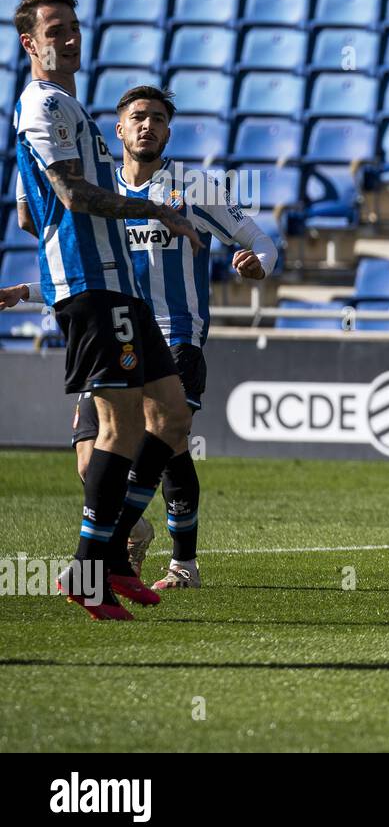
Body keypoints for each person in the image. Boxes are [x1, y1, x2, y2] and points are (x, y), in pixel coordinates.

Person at [2, 0, 200, 620]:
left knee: (169, 416)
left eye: (74, 26)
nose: (69, 37)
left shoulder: (69, 105)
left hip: (123, 286)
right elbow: (71, 196)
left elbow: (29, 211)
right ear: (30, 43)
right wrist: (151, 208)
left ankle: (111, 556)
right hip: (91, 284)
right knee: (118, 426)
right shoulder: (39, 105)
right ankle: (90, 571)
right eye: (54, 28)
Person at [68, 85, 279, 590]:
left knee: (160, 441)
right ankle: (136, 532)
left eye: (159, 119)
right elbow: (80, 271)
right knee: (92, 456)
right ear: (119, 130)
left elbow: (261, 239)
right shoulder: (97, 194)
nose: (148, 126)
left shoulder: (193, 188)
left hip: (174, 337)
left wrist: (259, 265)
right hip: (113, 336)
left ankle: (152, 559)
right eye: (138, 117)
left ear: (168, 131)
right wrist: (26, 292)